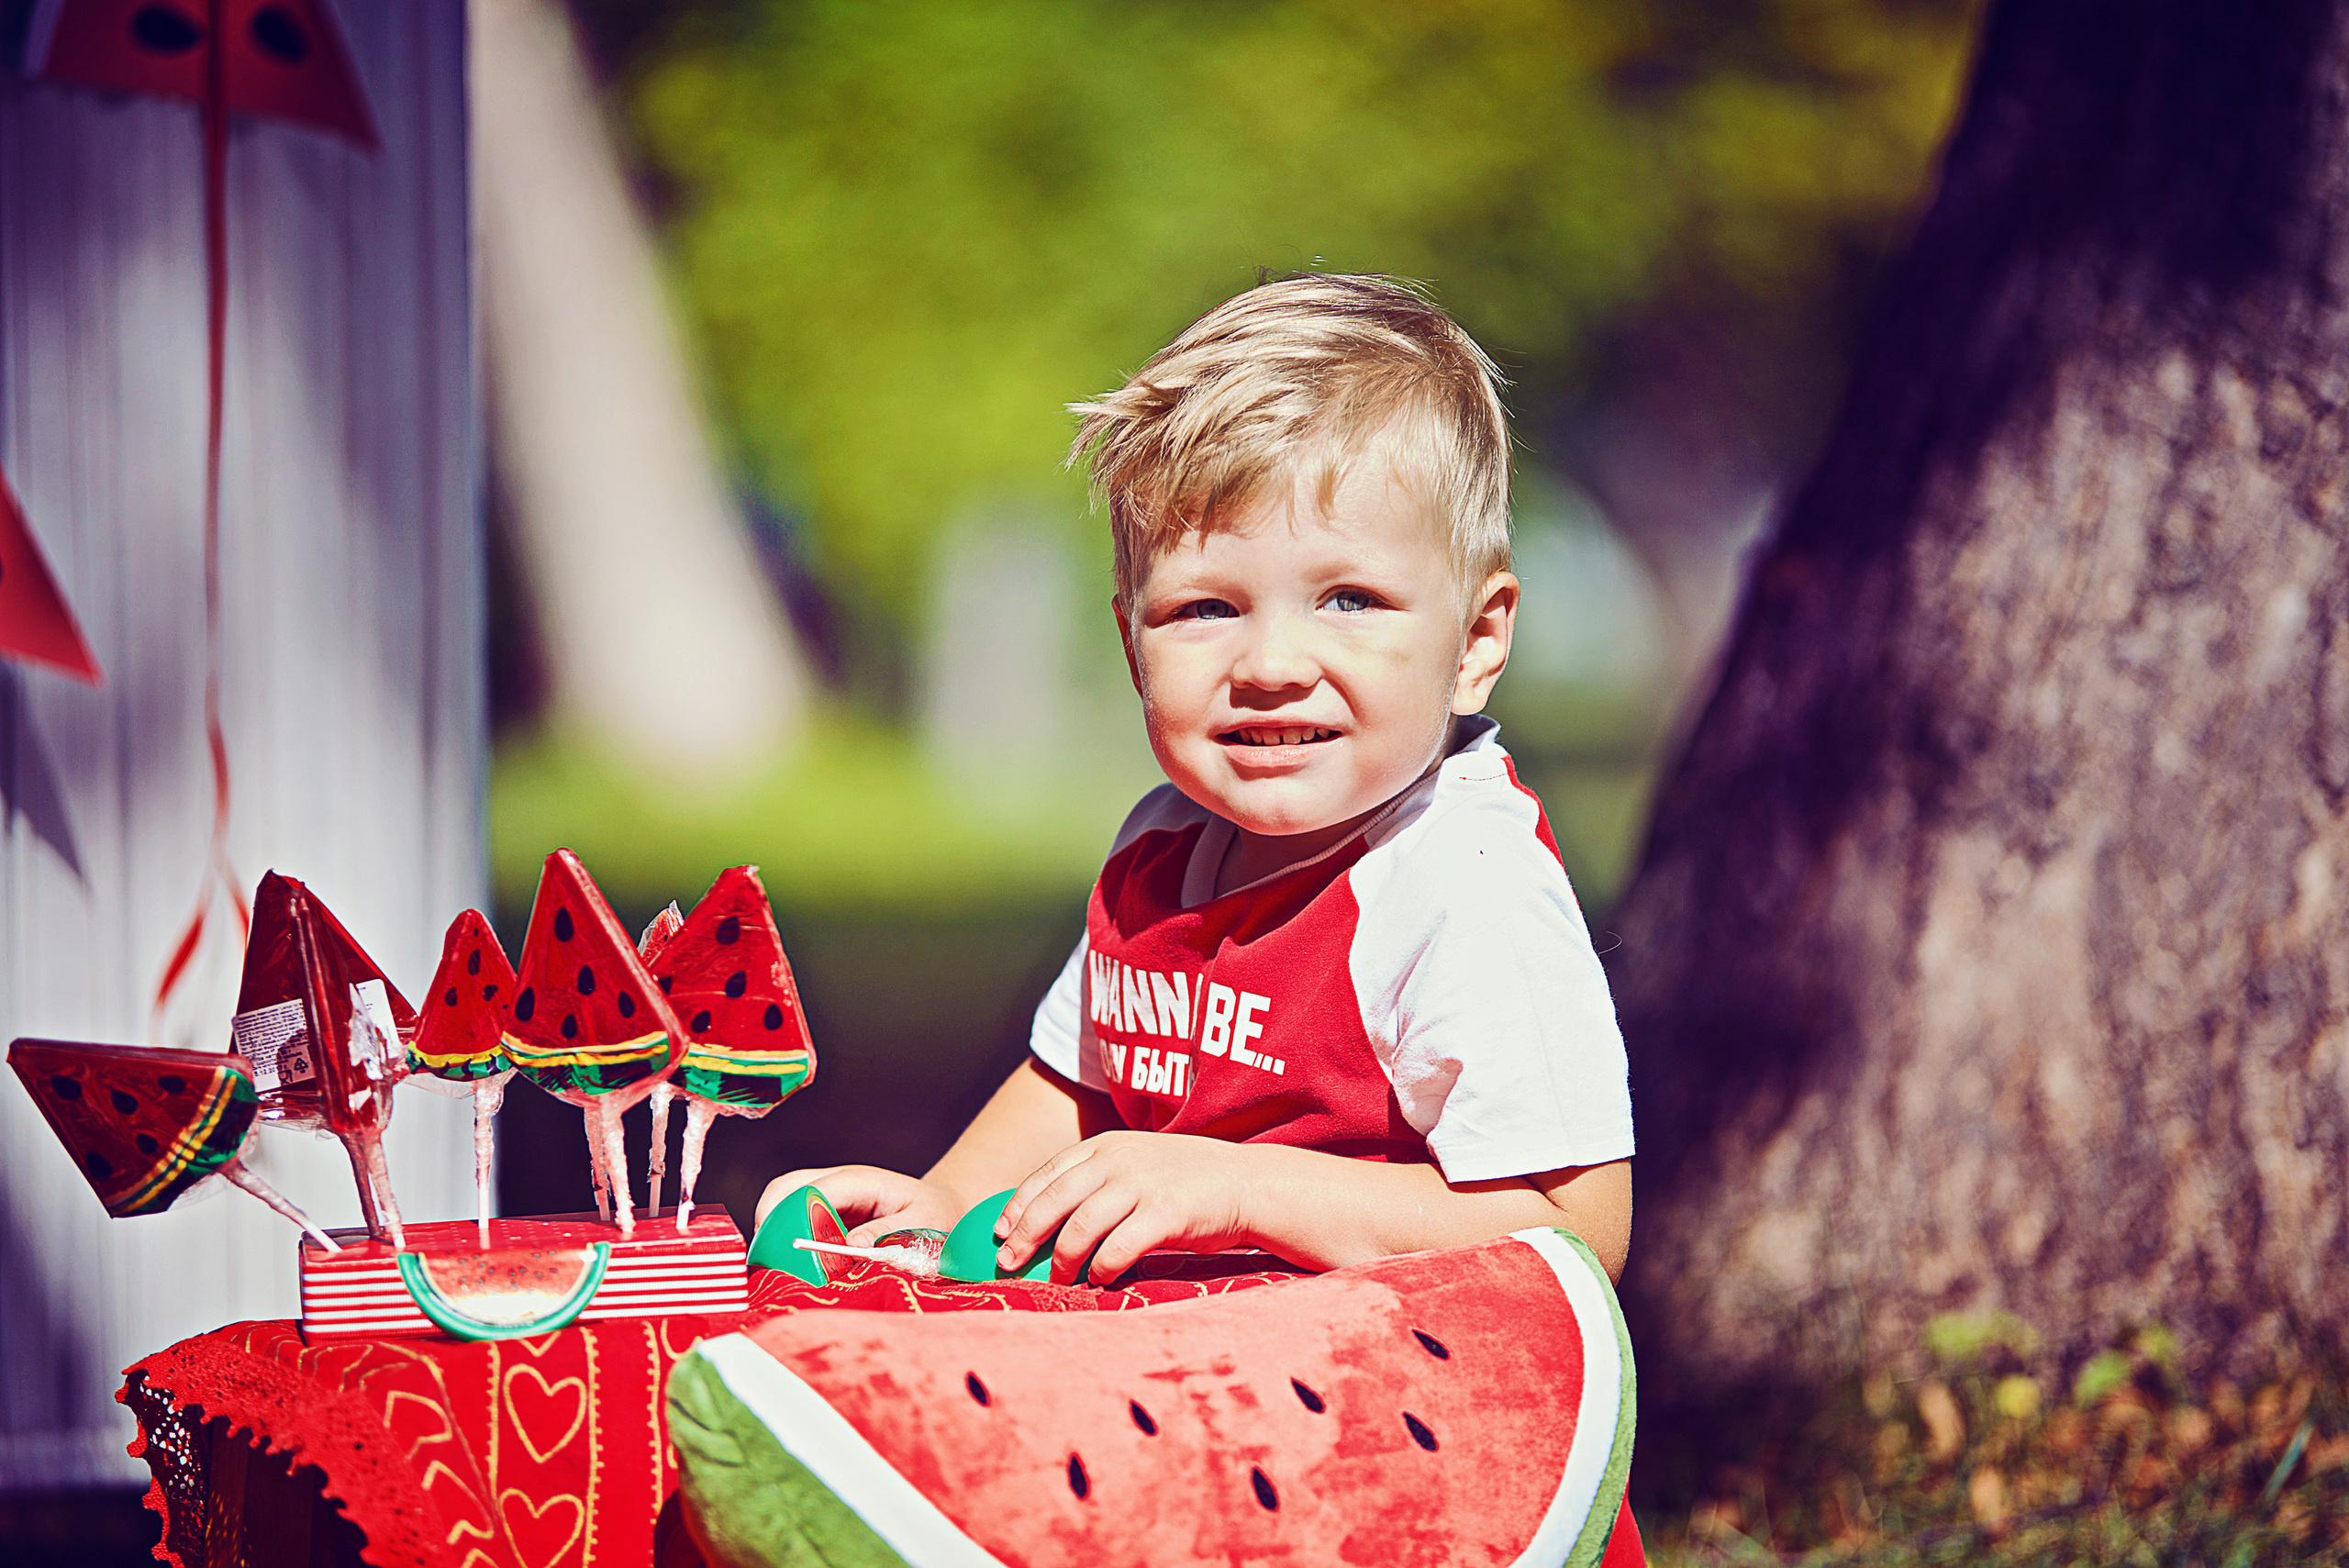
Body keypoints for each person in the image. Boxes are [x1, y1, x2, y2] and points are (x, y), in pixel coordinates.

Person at [760, 272, 1634, 1288]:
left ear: (1476, 641)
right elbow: (1077, 1078)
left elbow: (1573, 1233)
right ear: (1133, 648)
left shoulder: (1458, 878)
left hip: (1369, 1369)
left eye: (1349, 598)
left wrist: (1238, 1186)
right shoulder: (1159, 845)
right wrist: (945, 1203)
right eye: (1205, 610)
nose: (1269, 665)